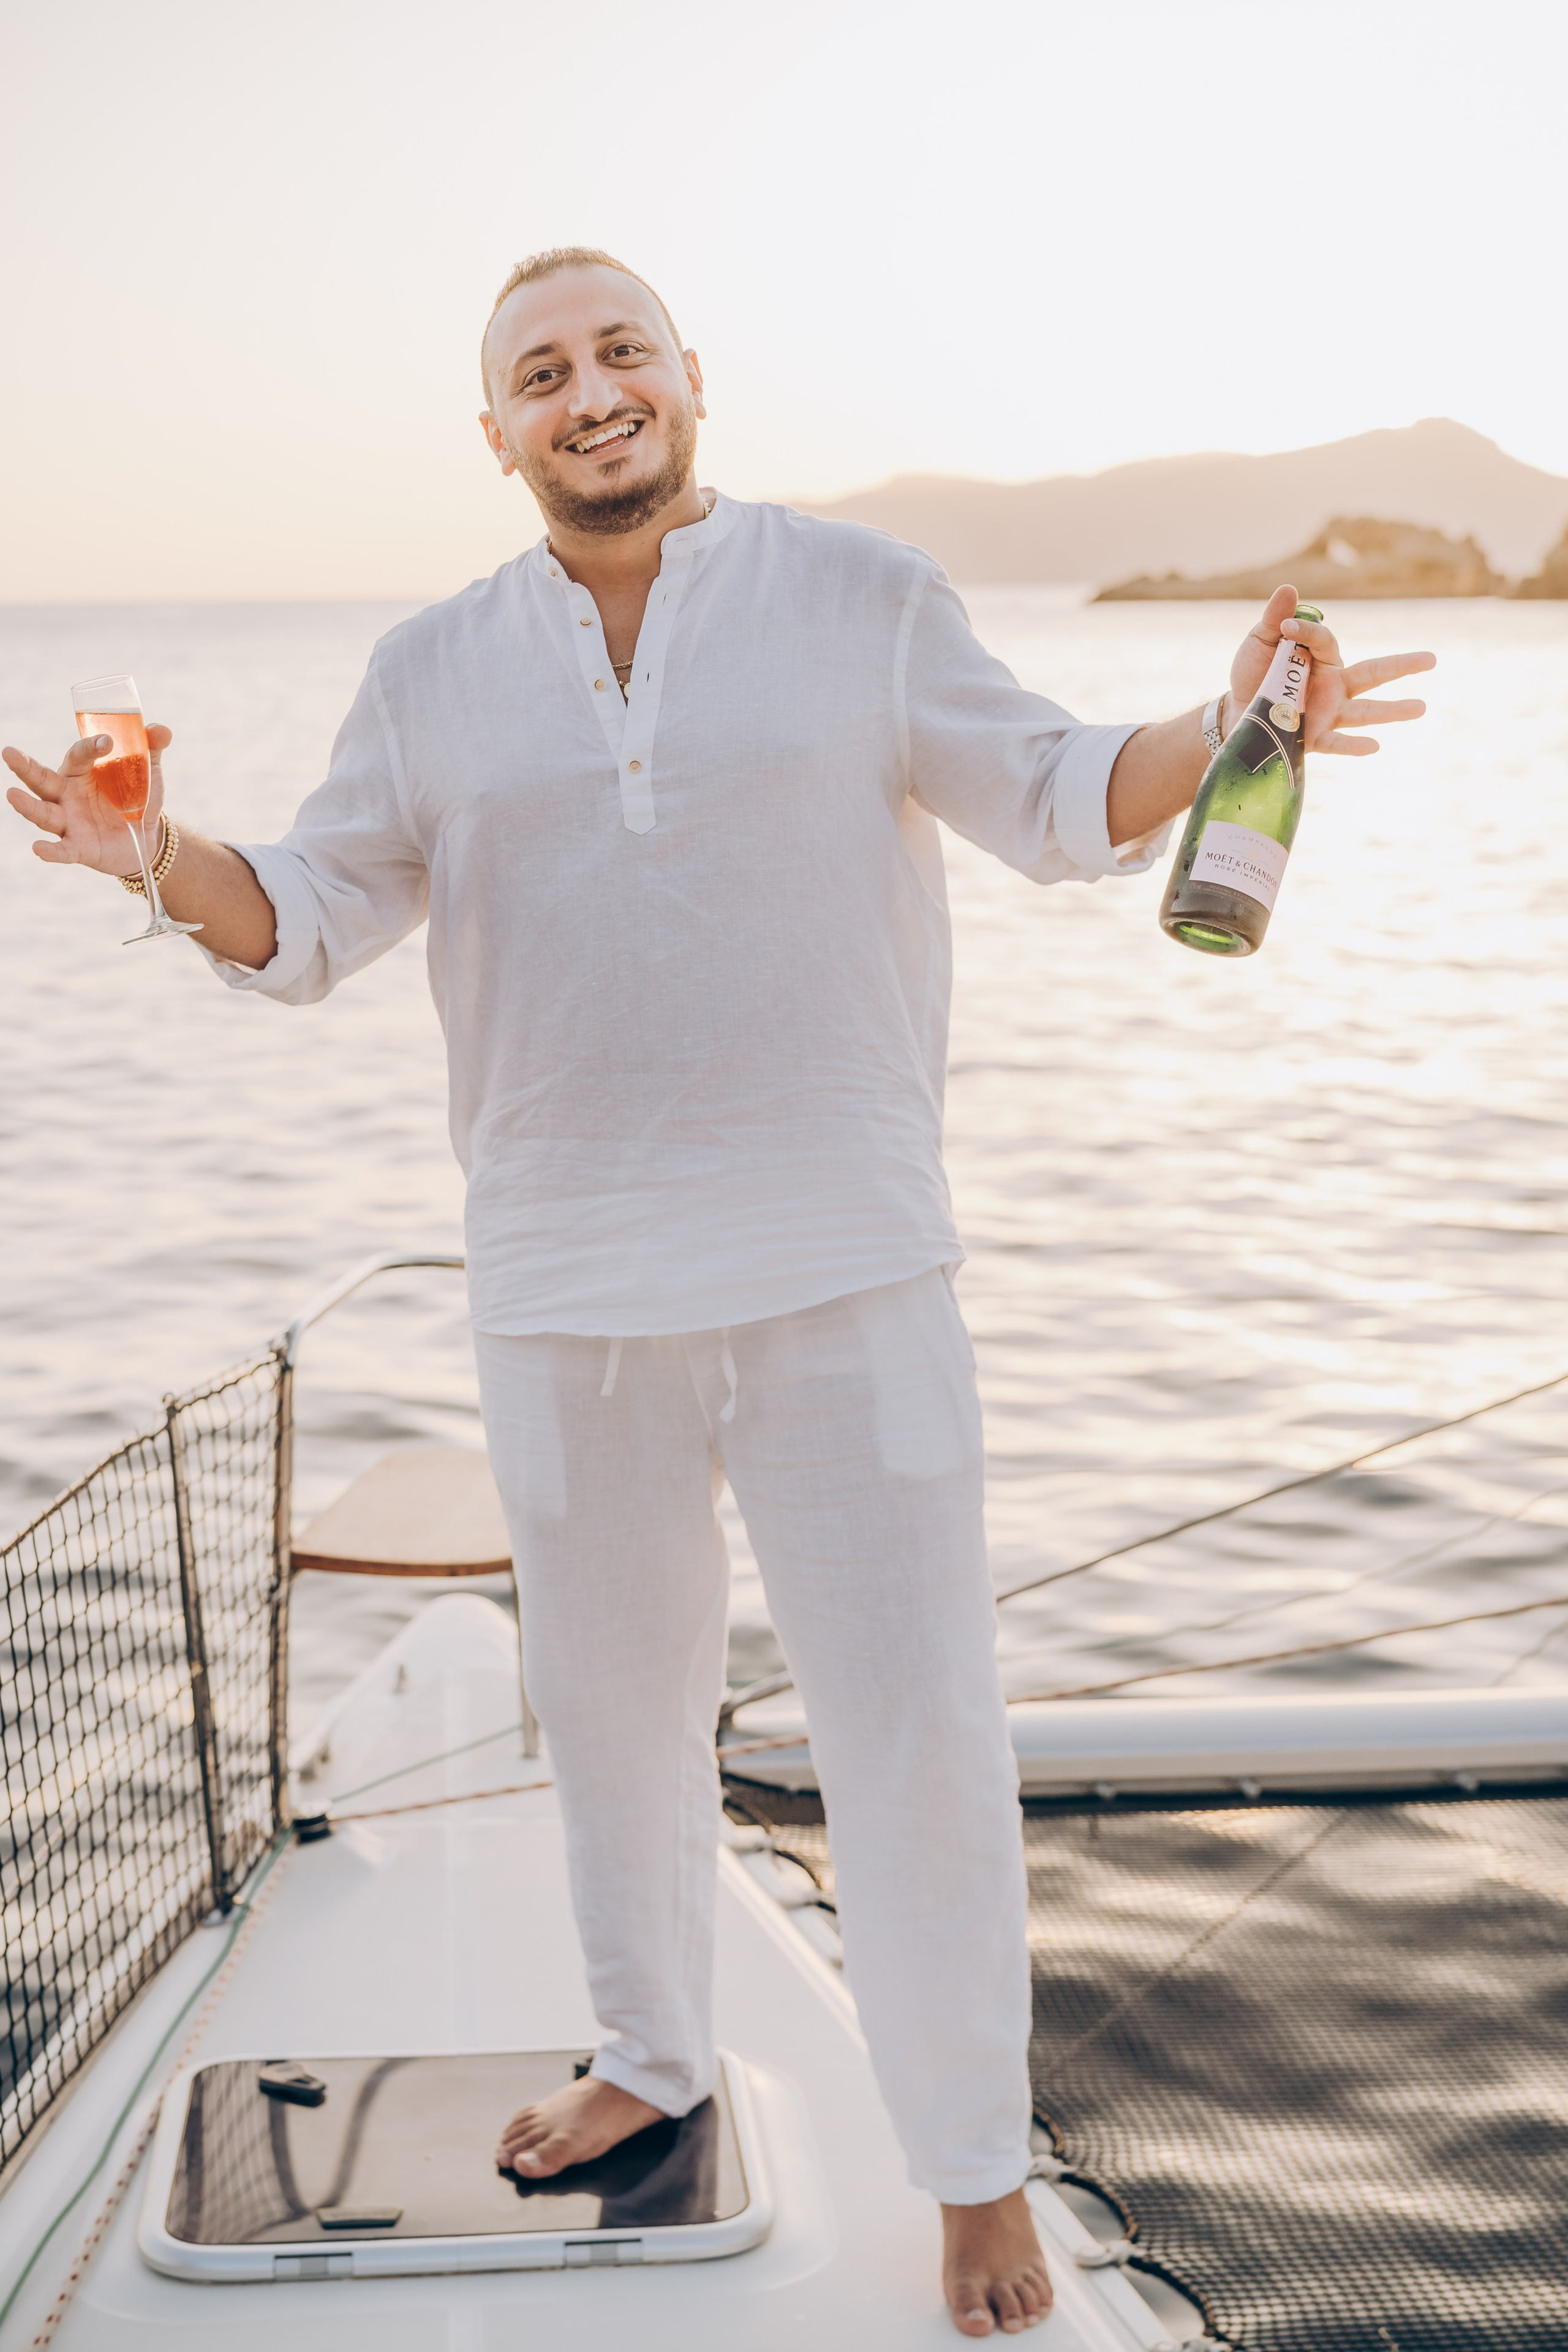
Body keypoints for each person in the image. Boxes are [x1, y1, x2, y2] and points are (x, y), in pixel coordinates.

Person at [2, 247, 1434, 2338]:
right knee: (611, 1722)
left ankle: (965, 2166)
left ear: (690, 382)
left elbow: (1054, 797)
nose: (590, 394)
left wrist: (1220, 731)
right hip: (564, 1291)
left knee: (917, 1732)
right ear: (492, 430)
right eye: (540, 374)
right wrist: (148, 855)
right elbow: (305, 918)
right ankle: (652, 2061)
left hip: (847, 1262)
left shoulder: (862, 598)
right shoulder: (425, 670)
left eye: (620, 354)